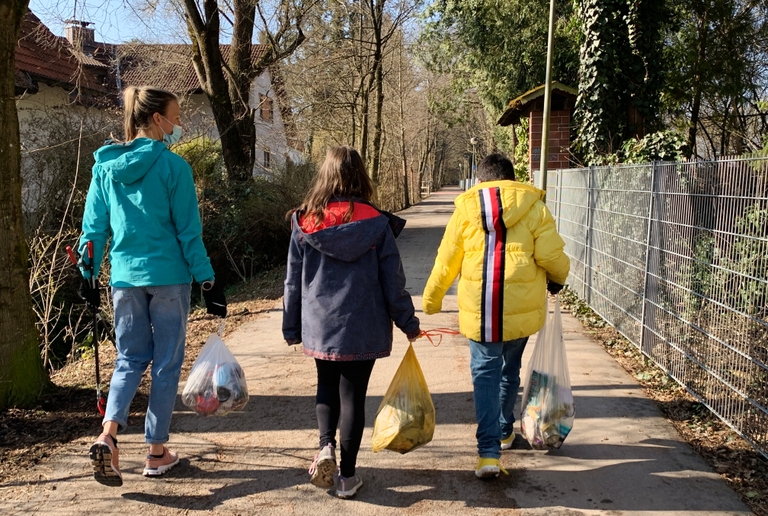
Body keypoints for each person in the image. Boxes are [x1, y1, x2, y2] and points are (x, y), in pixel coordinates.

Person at [79, 85, 227, 487]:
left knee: (128, 358)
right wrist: (208, 279)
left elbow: (93, 229)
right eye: (176, 117)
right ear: (157, 119)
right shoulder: (174, 168)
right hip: (169, 278)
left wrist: (88, 271)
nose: (179, 124)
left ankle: (108, 436)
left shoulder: (104, 168)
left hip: (124, 278)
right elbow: (188, 231)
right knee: (164, 364)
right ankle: (157, 451)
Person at [282, 146, 420, 499]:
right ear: (361, 176)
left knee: (325, 388)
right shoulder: (375, 222)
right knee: (353, 397)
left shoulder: (305, 221)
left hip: (320, 325)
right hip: (363, 324)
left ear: (324, 175)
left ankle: (325, 446)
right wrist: (408, 321)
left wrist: (291, 326)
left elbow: (293, 280)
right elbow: (393, 280)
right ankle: (346, 476)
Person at [422, 153, 569, 479]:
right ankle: (504, 432)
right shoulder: (533, 207)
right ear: (512, 178)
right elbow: (552, 255)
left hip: (480, 313)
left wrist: (431, 302)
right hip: (520, 313)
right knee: (509, 371)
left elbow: (445, 262)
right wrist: (559, 279)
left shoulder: (465, 212)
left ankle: (488, 453)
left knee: (485, 376)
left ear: (479, 181)